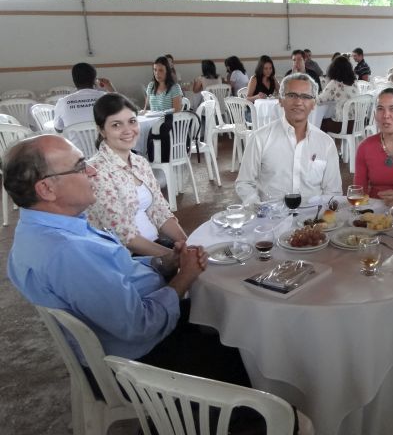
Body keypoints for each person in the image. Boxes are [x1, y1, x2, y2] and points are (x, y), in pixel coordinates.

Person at [5, 134, 251, 390]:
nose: (92, 171)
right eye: (80, 166)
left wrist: (164, 263)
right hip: (139, 365)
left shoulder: (36, 231)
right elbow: (141, 327)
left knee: (225, 313)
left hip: (128, 331)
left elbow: (119, 271)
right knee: (247, 345)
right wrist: (184, 276)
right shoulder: (68, 251)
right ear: (46, 189)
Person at [86, 93, 188, 257]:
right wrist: (173, 258)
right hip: (125, 258)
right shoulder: (96, 172)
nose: (128, 130)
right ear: (102, 130)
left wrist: (187, 245)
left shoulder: (139, 162)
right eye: (116, 125)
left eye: (132, 121)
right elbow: (124, 236)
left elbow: (159, 210)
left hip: (155, 246)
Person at [235, 73, 342, 205]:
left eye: (306, 97)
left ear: (314, 103)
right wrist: (257, 206)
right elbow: (245, 182)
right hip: (272, 215)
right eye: (292, 95)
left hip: (313, 215)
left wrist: (324, 214)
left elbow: (333, 191)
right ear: (281, 100)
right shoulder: (260, 138)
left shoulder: (326, 143)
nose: (298, 102)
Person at [53, 62, 115, 132]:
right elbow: (122, 112)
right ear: (95, 80)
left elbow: (58, 129)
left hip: (74, 140)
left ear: (74, 80)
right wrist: (112, 90)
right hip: (104, 139)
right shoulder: (107, 98)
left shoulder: (62, 102)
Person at [317, 55, 359, 133]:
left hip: (342, 125)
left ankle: (331, 141)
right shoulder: (355, 83)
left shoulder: (335, 84)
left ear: (334, 69)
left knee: (320, 123)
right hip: (356, 124)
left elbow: (319, 100)